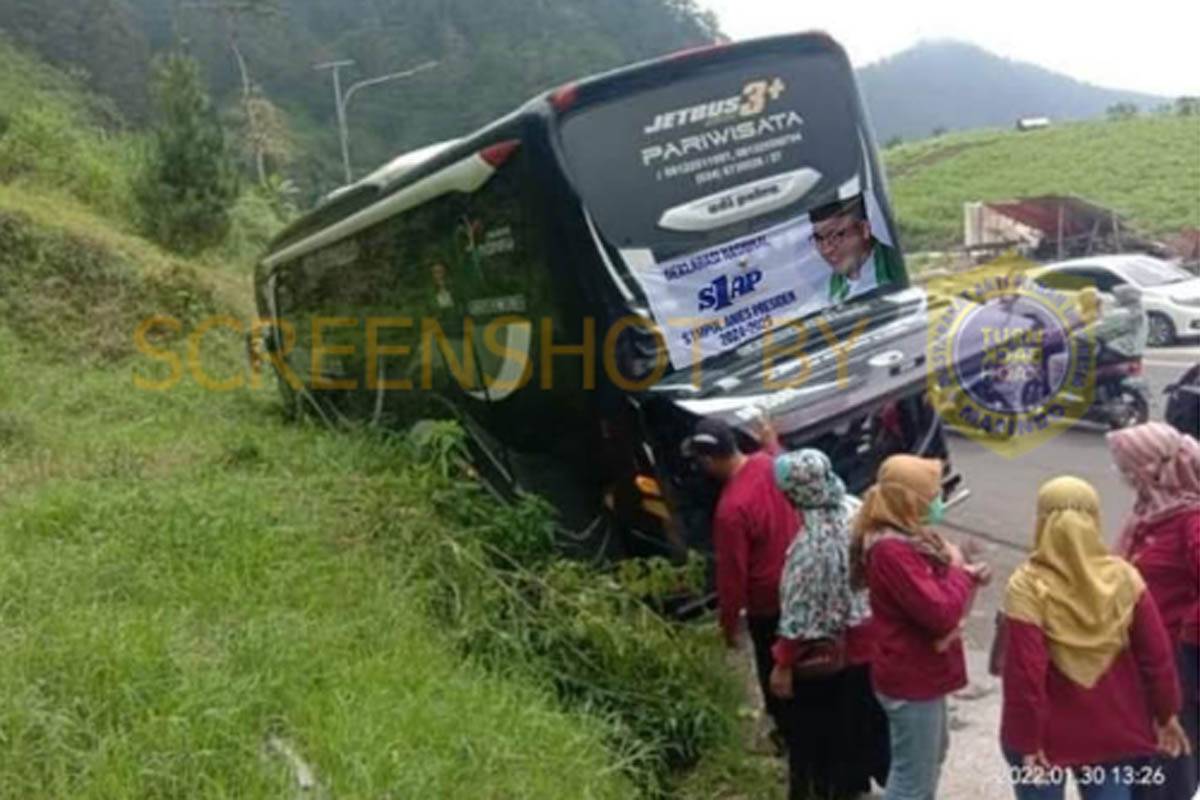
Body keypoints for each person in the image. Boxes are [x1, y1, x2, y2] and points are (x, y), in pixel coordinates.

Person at [1000, 475, 1190, 800]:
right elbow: (1156, 659)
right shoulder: (1125, 578)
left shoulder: (1027, 585)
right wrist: (1166, 713)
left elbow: (1024, 674)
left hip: (1045, 734)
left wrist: (1026, 739)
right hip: (1110, 728)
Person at [850, 454, 989, 800]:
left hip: (920, 671)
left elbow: (935, 594)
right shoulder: (891, 551)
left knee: (930, 755)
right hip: (911, 675)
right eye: (934, 495)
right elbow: (940, 612)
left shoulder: (906, 537)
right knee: (913, 780)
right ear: (911, 501)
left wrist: (963, 575)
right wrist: (959, 571)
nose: (939, 501)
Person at [769, 449, 890, 799]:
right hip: (870, 643)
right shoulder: (854, 509)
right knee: (861, 726)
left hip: (830, 656)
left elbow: (800, 617)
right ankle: (861, 785)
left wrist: (782, 664)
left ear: (793, 493)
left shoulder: (810, 546)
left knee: (823, 735)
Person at [682, 416, 799, 740]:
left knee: (772, 667)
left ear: (709, 459)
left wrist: (729, 625)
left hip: (768, 603)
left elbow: (732, 574)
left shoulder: (731, 509)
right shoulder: (768, 463)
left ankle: (786, 735)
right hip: (799, 583)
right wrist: (771, 442)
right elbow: (787, 463)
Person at [1107, 423, 1200, 798]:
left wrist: (1182, 640)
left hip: (1177, 666)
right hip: (1147, 657)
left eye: (1129, 469)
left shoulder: (1191, 522)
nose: (1125, 477)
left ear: (1152, 469)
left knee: (1168, 764)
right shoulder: (1151, 512)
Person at [809, 195, 901, 304]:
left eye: (835, 236)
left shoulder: (898, 268)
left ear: (864, 229)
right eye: (818, 239)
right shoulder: (825, 294)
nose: (826, 250)